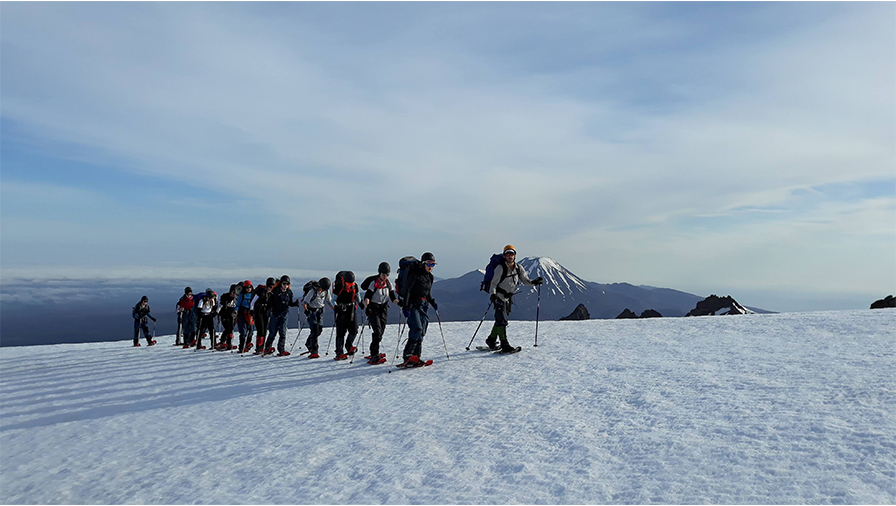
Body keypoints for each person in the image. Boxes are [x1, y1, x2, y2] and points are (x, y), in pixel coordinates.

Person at [485, 245, 543, 352]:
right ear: (504, 255)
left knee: (501, 319)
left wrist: (534, 282)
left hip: (509, 298)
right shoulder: (500, 268)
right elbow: (493, 284)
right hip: (499, 297)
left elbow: (525, 280)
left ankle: (491, 339)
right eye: (507, 254)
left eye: (511, 254)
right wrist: (493, 295)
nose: (509, 256)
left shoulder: (518, 268)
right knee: (502, 320)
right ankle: (504, 344)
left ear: (515, 255)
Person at [400, 252, 438, 366]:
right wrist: (405, 306)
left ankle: (416, 356)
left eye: (433, 265)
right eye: (429, 264)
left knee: (422, 331)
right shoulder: (415, 275)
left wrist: (432, 302)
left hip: (423, 305)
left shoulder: (430, 277)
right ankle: (407, 355)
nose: (431, 267)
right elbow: (407, 290)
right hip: (412, 305)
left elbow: (427, 293)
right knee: (416, 329)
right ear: (423, 263)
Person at [362, 262, 399, 365]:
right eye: (383, 274)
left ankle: (374, 350)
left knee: (380, 332)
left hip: (383, 309)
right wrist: (367, 307)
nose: (385, 276)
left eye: (387, 274)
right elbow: (367, 297)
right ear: (379, 273)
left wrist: (399, 303)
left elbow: (392, 297)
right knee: (377, 332)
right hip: (373, 309)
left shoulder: (388, 283)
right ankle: (374, 355)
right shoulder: (373, 283)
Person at [263, 275, 299, 356]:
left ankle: (281, 350)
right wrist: (267, 309)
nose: (285, 286)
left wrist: (295, 304)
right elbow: (270, 302)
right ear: (281, 283)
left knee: (282, 333)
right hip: (275, 314)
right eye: (284, 284)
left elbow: (289, 303)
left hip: (284, 314)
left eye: (287, 284)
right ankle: (267, 348)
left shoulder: (289, 292)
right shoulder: (275, 291)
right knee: (273, 332)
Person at [332, 271, 361, 361]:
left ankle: (349, 346)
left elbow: (357, 295)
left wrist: (361, 303)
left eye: (351, 283)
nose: (350, 285)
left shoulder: (354, 285)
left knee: (354, 329)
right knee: (341, 331)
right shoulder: (338, 286)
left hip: (351, 309)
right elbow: (333, 299)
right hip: (341, 310)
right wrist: (336, 307)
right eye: (348, 283)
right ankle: (339, 352)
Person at [301, 277, 333, 359]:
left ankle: (309, 343)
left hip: (320, 312)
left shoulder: (326, 291)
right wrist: (306, 311)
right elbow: (305, 302)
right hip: (312, 311)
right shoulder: (312, 291)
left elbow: (329, 301)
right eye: (321, 288)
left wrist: (335, 309)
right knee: (314, 330)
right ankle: (314, 350)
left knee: (319, 330)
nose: (321, 290)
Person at [251, 278, 276, 354]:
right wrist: (251, 310)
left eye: (272, 287)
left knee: (264, 329)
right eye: (269, 286)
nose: (270, 288)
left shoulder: (271, 294)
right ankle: (259, 347)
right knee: (261, 329)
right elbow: (253, 302)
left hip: (265, 312)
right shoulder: (260, 291)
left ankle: (261, 347)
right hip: (258, 311)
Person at [236, 280, 255, 353]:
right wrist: (236, 310)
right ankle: (242, 346)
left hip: (250, 314)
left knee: (251, 330)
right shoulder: (242, 295)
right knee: (243, 331)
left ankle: (247, 344)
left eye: (250, 287)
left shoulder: (253, 295)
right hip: (242, 314)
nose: (249, 289)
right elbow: (238, 304)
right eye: (247, 287)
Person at [218, 284, 238, 350]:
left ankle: (223, 342)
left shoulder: (237, 298)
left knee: (230, 329)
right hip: (224, 315)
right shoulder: (225, 297)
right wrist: (217, 312)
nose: (234, 293)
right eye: (233, 291)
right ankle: (228, 343)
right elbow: (220, 305)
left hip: (232, 316)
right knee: (228, 329)